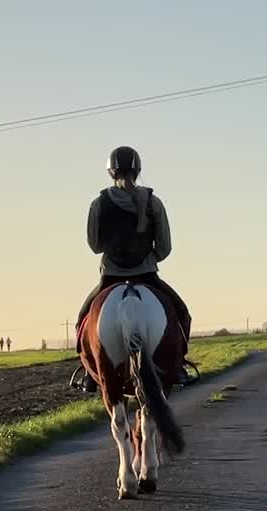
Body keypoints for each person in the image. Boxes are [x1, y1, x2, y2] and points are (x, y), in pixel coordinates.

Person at [71, 145, 193, 392]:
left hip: (111, 276)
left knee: (82, 321)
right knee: (182, 314)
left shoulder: (99, 204)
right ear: (138, 170)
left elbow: (94, 246)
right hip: (147, 275)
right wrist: (149, 257)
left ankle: (88, 373)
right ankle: (178, 366)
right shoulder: (153, 202)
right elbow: (165, 247)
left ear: (110, 172)